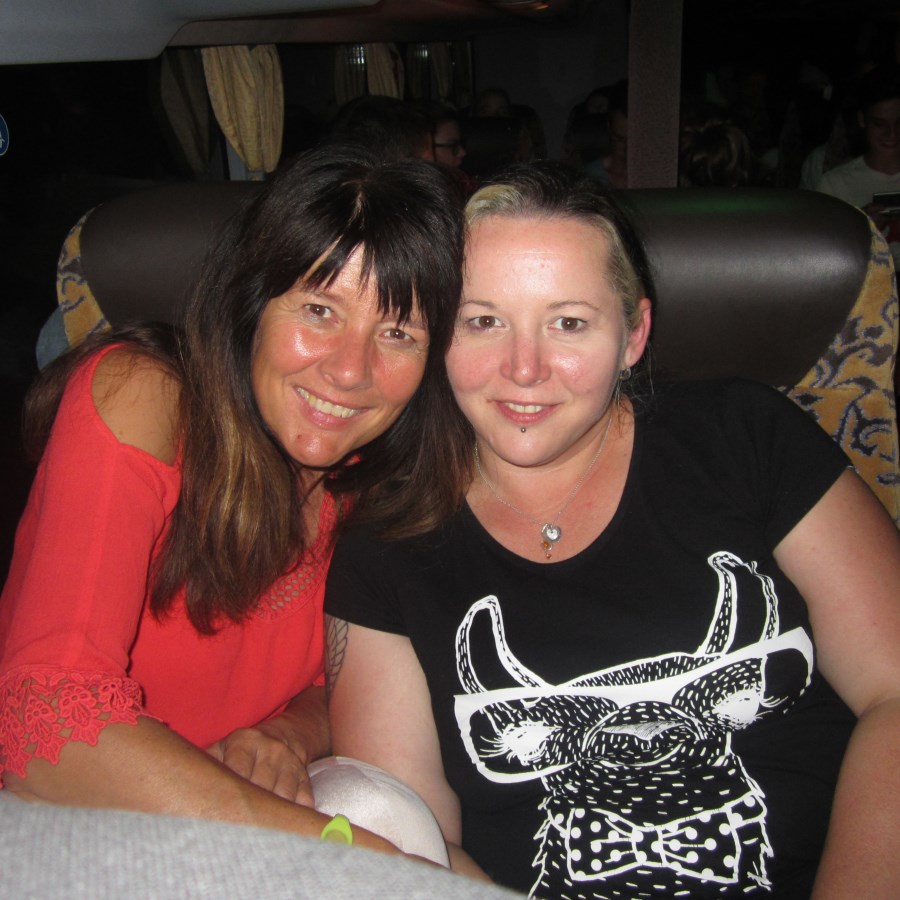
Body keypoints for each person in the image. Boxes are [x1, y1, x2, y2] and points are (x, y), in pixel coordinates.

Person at [325, 162, 900, 897]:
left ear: (633, 335)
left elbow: (893, 693)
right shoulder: (385, 539)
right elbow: (412, 841)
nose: (524, 369)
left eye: (569, 322)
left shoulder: (743, 439)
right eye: (483, 320)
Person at [0, 144, 464, 853]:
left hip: (220, 830)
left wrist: (289, 733)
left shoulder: (376, 478)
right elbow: (44, 716)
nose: (350, 370)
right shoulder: (145, 397)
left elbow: (345, 684)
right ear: (251, 306)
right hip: (67, 830)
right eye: (320, 309)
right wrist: (346, 853)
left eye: (397, 333)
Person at [815, 63, 900, 268]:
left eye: (899, 123)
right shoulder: (834, 187)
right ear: (862, 120)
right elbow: (820, 261)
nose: (892, 134)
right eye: (879, 124)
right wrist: (856, 230)